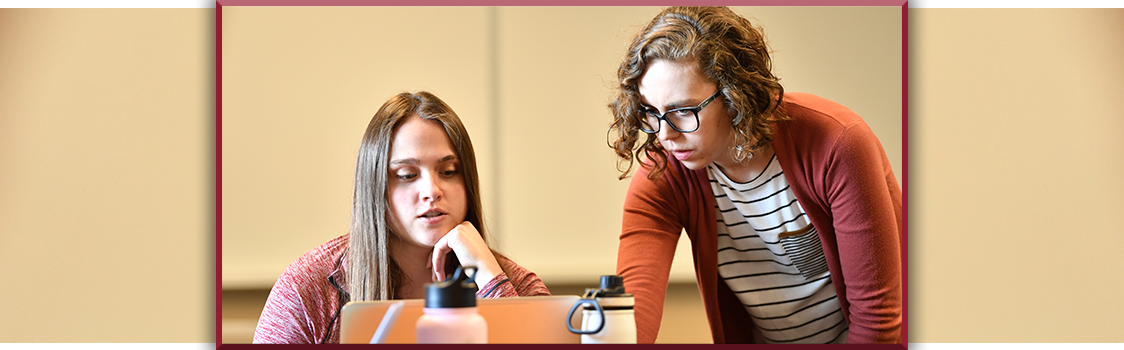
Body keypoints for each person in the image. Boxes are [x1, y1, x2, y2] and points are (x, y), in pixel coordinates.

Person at [607, 7, 902, 344]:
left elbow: (877, 325)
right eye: (652, 113)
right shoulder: (663, 174)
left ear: (736, 96)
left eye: (683, 112)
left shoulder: (836, 143)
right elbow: (630, 322)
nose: (665, 135)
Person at [253, 91, 550, 344]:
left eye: (448, 172)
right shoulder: (309, 289)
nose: (431, 191)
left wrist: (487, 274)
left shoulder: (515, 286)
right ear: (376, 188)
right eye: (407, 175)